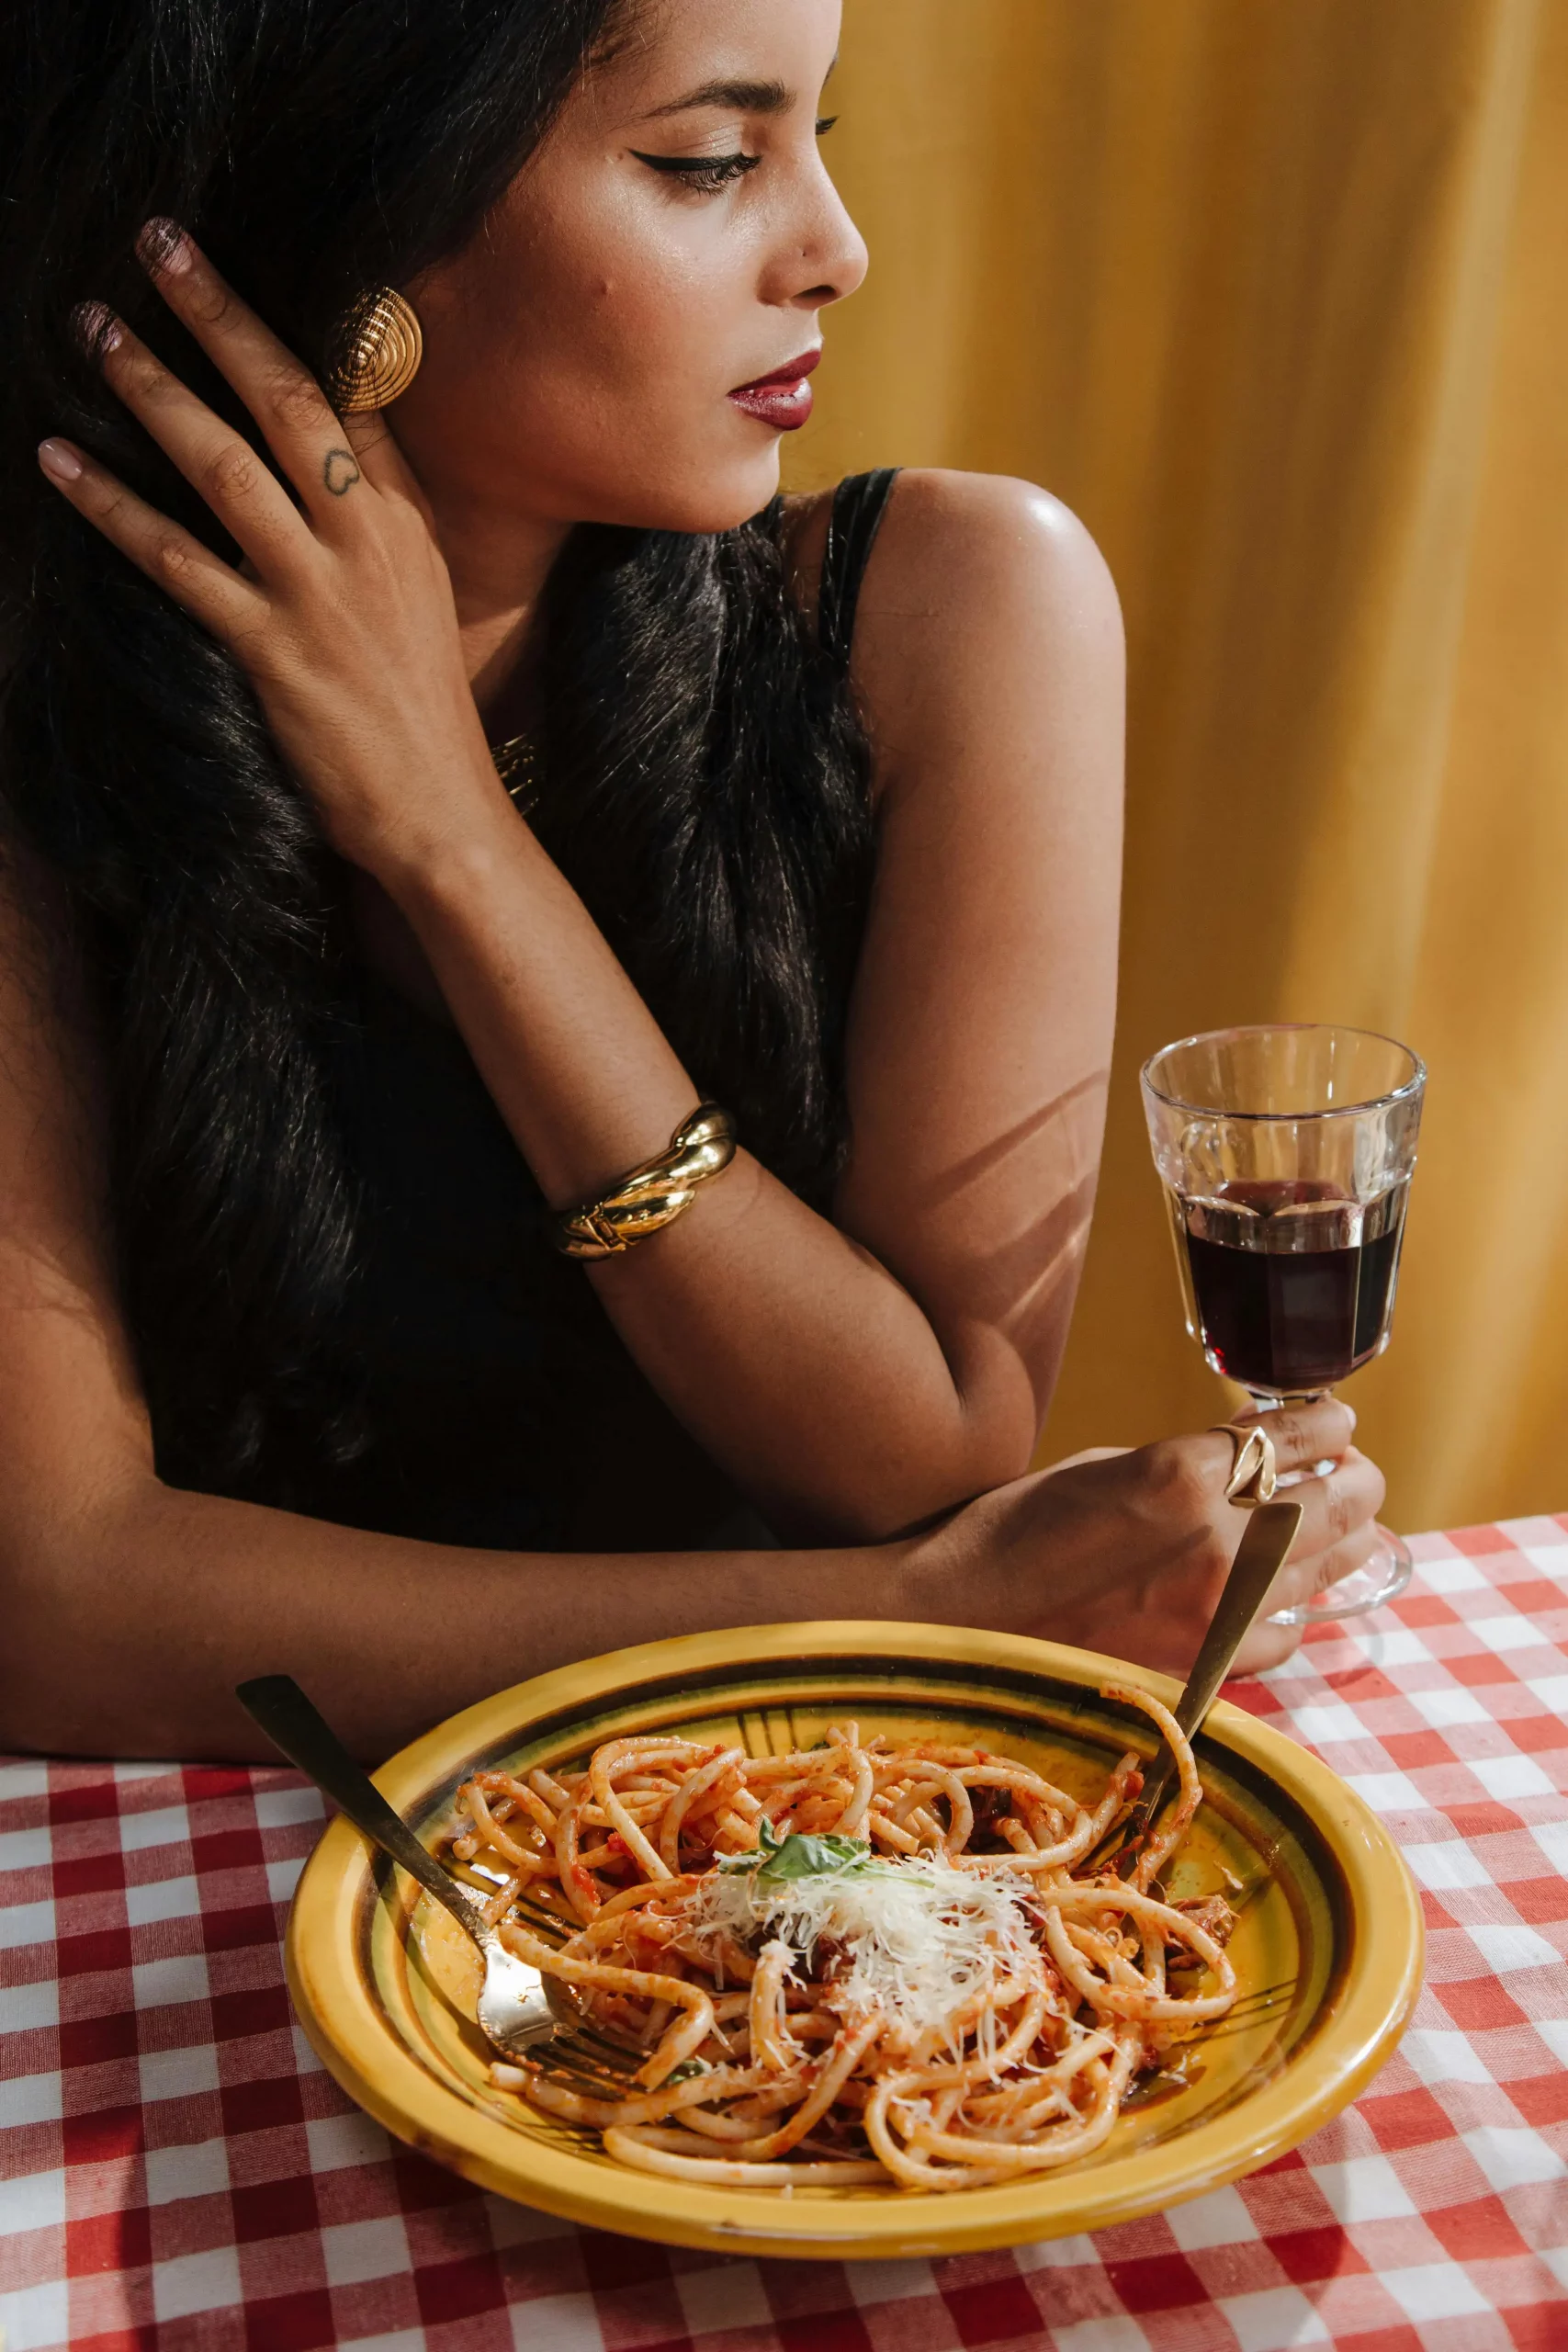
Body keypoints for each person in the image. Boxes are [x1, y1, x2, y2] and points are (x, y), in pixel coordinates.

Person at [0, 0, 1383, 1761]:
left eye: (824, 137)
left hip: (769, 1843)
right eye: (710, 161)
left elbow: (923, 1454)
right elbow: (55, 1613)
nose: (835, 251)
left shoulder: (951, 613)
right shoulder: (53, 706)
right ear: (359, 220)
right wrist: (919, 1617)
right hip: (215, 1858)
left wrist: (452, 841)